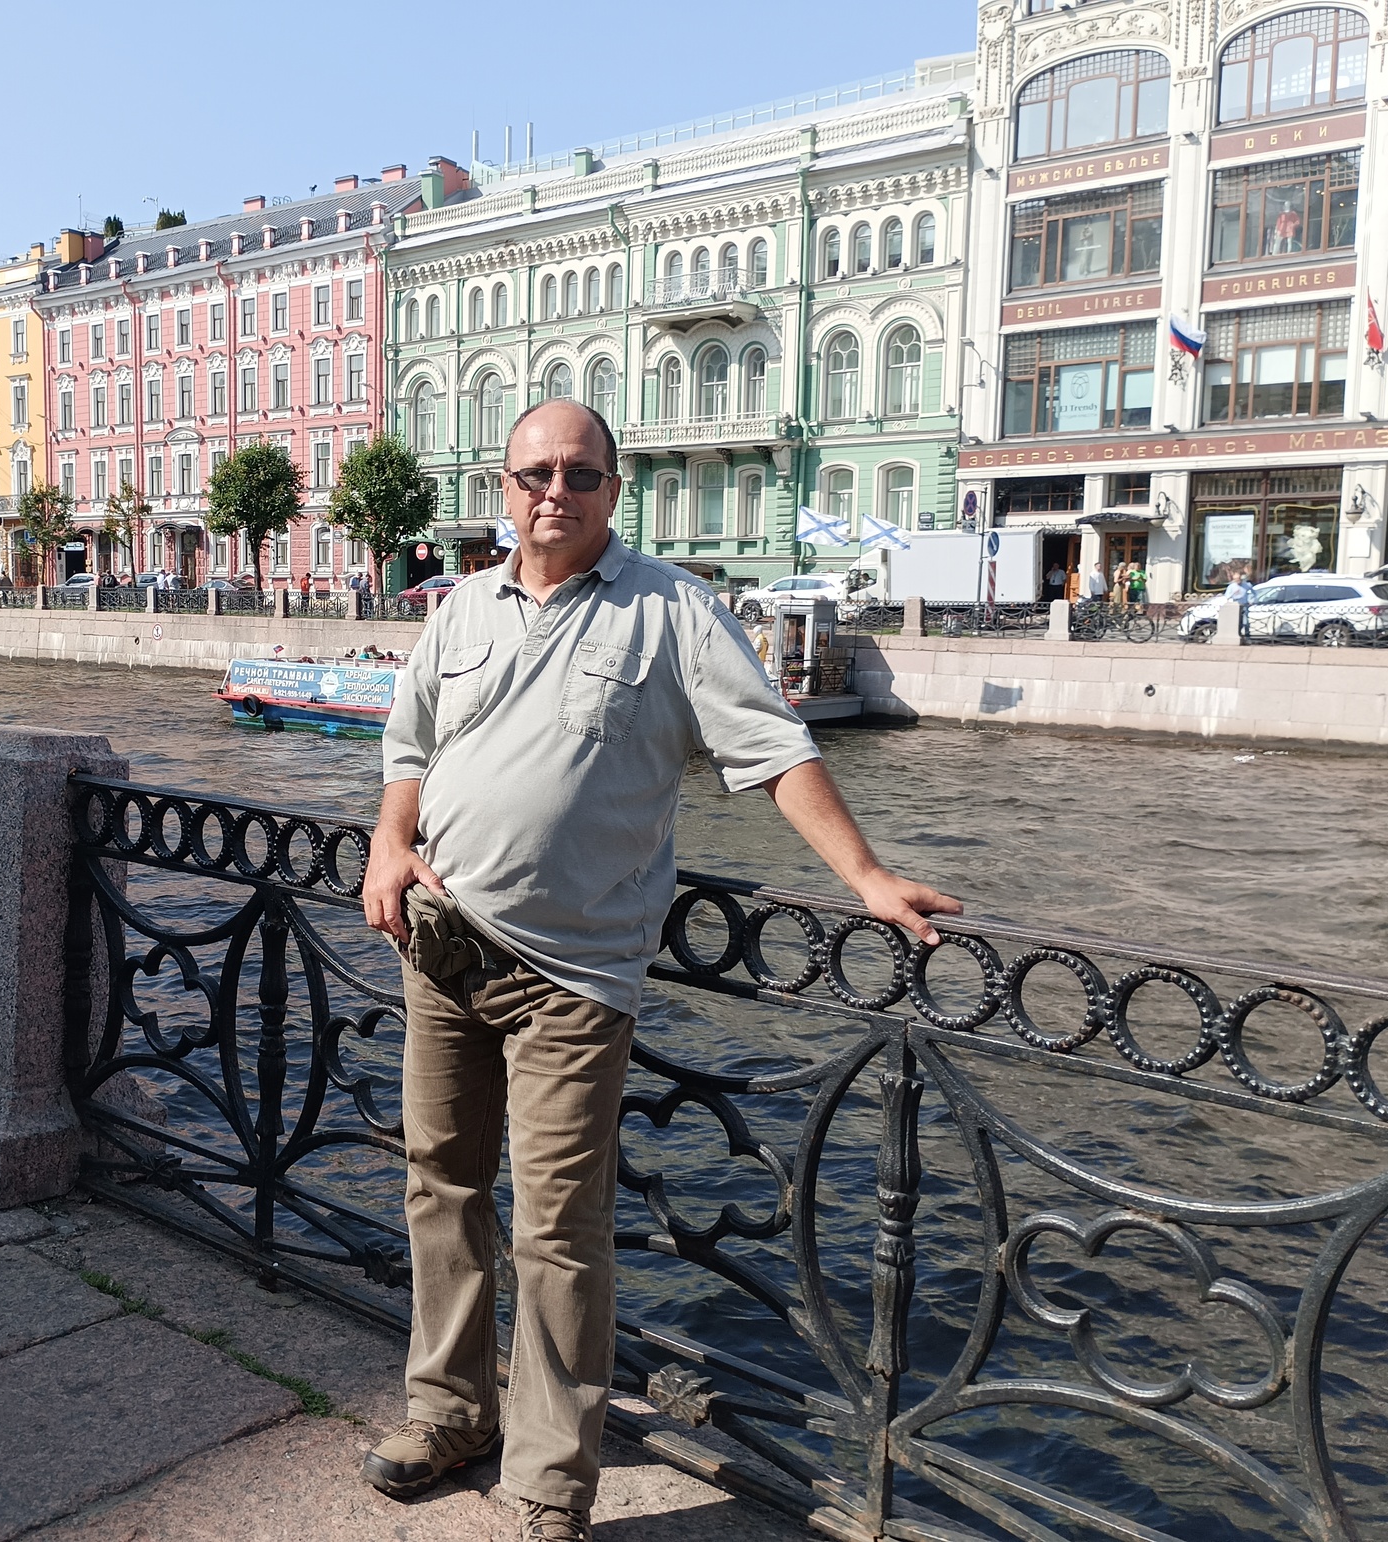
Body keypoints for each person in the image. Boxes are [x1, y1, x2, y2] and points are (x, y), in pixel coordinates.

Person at [360, 398, 959, 1542]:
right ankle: (447, 1412)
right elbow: (410, 746)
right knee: (438, 1188)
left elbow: (773, 751)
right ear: (502, 485)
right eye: (534, 471)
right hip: (437, 946)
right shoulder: (463, 607)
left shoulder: (670, 611)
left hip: (571, 975)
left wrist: (868, 879)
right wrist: (391, 839)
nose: (554, 491)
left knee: (555, 1229)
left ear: (611, 489)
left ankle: (547, 1479)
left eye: (579, 475)